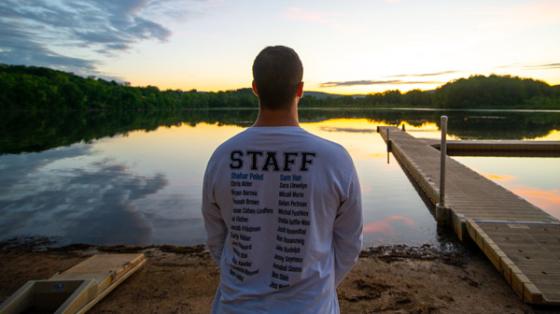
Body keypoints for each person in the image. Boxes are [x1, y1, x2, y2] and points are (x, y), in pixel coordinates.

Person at [201, 45, 363, 314]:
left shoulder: (222, 157)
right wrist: (317, 290)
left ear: (255, 88)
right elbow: (350, 244)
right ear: (299, 89)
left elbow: (216, 239)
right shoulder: (335, 159)